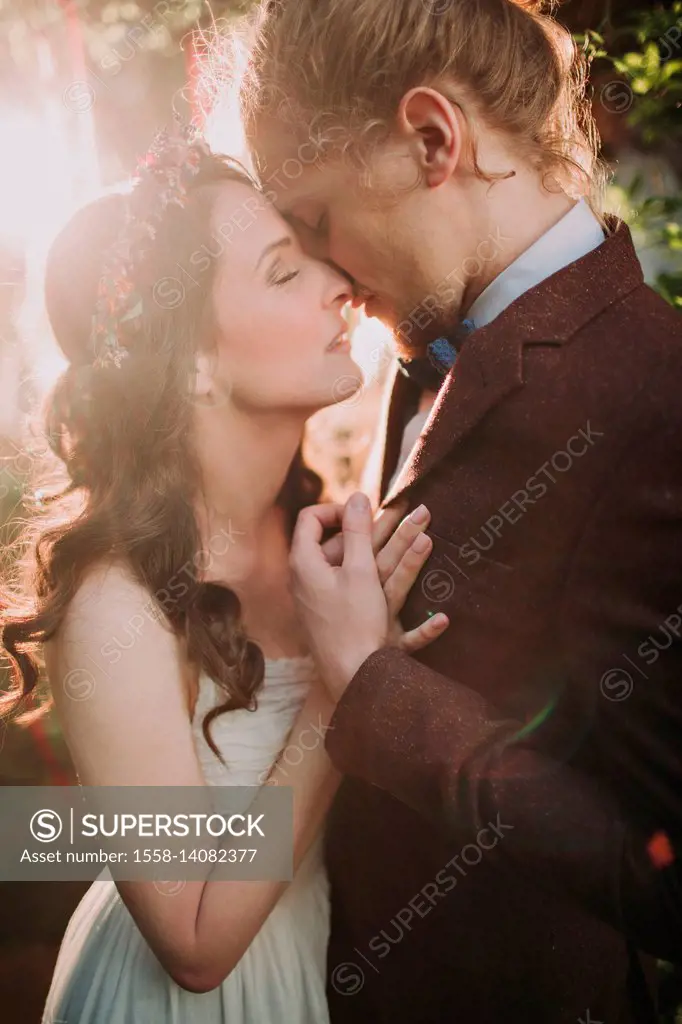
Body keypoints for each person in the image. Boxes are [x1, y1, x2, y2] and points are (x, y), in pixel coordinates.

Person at [242, 0, 682, 1021]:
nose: (330, 281)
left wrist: (376, 694)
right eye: (282, 252)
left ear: (433, 139)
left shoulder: (653, 398)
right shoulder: (428, 341)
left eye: (313, 223)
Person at [0, 129, 447, 1023]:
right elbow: (194, 941)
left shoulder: (325, 542)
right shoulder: (114, 603)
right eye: (287, 271)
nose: (341, 285)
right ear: (193, 363)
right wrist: (340, 686)